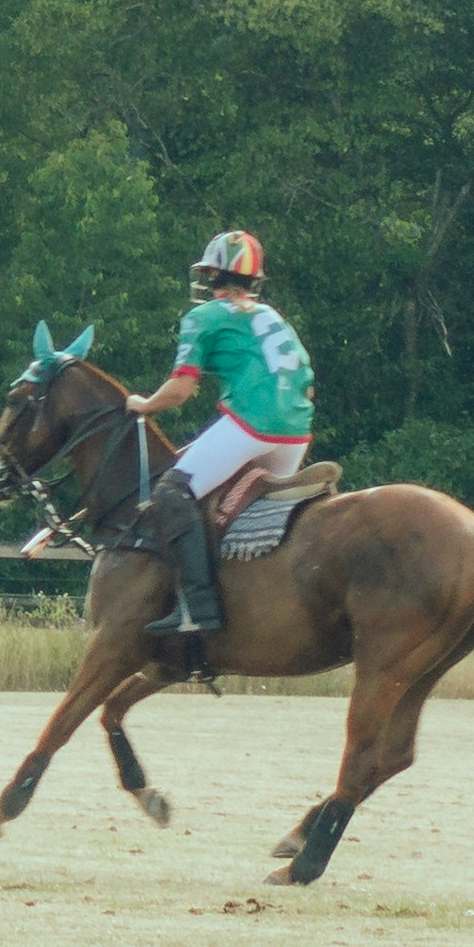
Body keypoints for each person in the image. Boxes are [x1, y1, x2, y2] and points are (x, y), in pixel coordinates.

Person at [124, 227, 315, 679]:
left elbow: (183, 388)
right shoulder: (271, 316)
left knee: (173, 493)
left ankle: (197, 608)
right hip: (296, 434)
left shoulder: (206, 316)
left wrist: (145, 404)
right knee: (222, 506)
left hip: (252, 424)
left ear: (214, 277)